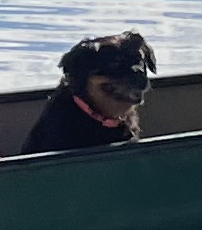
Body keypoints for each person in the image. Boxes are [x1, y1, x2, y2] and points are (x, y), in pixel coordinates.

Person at [23, 30, 157, 153]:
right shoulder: (58, 129)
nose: (135, 71)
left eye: (138, 62)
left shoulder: (125, 121)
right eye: (115, 65)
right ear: (82, 75)